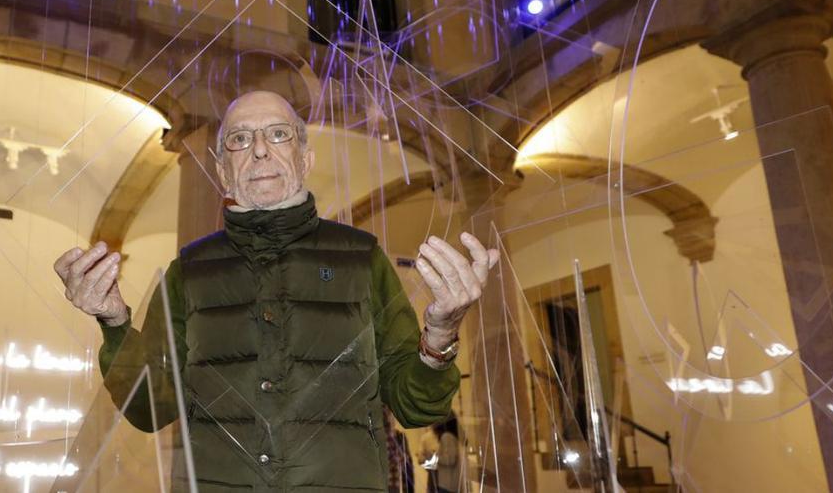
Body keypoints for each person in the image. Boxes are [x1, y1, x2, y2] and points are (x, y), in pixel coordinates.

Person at [53, 90, 499, 492]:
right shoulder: (187, 271)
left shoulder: (361, 258)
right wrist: (114, 325)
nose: (261, 150)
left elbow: (414, 407)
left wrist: (440, 336)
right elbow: (150, 411)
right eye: (240, 139)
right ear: (223, 170)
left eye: (278, 134)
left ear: (305, 159)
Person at [419, 414, 460, 493]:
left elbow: (450, 459)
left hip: (446, 481)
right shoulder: (427, 438)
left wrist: (433, 456)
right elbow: (421, 459)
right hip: (440, 477)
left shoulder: (447, 436)